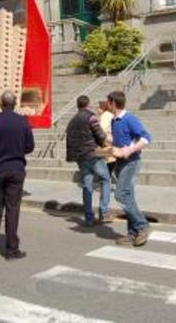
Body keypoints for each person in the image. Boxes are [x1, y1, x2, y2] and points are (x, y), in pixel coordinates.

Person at [0, 90, 35, 261]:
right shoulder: (23, 122)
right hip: (16, 168)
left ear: (0, 104)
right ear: (15, 103)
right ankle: (11, 250)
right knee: (13, 209)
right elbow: (29, 147)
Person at [107, 91, 152, 247]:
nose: (107, 105)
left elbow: (146, 138)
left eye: (108, 102)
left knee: (120, 194)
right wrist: (110, 146)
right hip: (120, 162)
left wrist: (129, 150)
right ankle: (133, 234)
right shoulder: (114, 121)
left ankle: (142, 226)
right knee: (128, 197)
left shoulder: (129, 118)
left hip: (132, 162)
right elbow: (122, 140)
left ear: (113, 103)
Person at [65, 95, 111, 226]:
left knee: (87, 185)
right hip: (92, 154)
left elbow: (69, 140)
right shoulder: (91, 117)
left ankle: (89, 218)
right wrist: (103, 142)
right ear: (88, 104)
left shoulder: (72, 121)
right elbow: (99, 133)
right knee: (105, 179)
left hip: (81, 157)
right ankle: (104, 212)